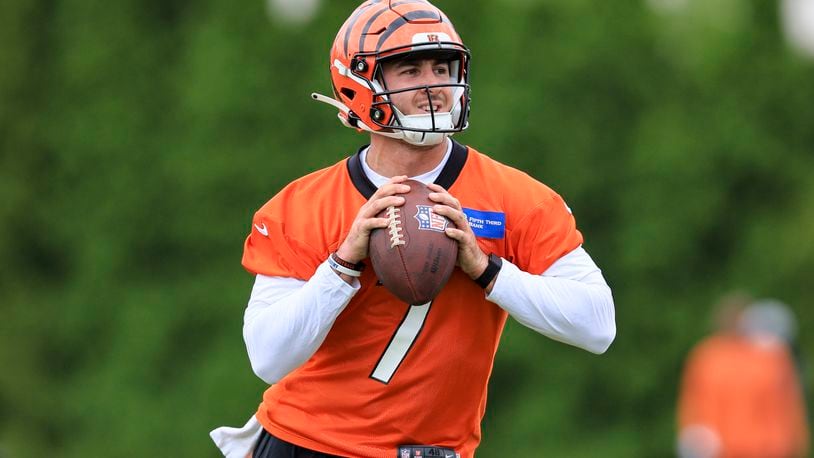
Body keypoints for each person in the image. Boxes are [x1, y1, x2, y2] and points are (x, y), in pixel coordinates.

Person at [211, 1, 616, 457]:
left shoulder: (515, 198)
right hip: (308, 445)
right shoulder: (304, 206)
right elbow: (268, 358)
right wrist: (342, 265)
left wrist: (487, 270)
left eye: (442, 67)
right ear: (360, 84)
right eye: (410, 71)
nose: (433, 87)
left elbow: (597, 324)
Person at [676, 294, 809, 458]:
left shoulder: (771, 355)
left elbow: (788, 401)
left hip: (767, 448)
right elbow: (693, 402)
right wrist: (695, 437)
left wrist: (793, 440)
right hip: (722, 448)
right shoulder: (707, 356)